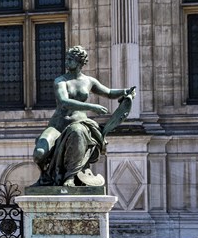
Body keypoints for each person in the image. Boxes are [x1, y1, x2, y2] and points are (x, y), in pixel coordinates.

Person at [32, 46, 136, 188]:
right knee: (39, 153)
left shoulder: (89, 81)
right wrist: (92, 107)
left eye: (70, 59)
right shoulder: (60, 81)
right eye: (67, 59)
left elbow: (110, 93)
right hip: (58, 125)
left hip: (79, 123)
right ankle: (45, 177)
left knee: (77, 131)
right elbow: (64, 102)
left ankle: (70, 177)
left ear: (79, 62)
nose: (66, 62)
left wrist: (125, 91)